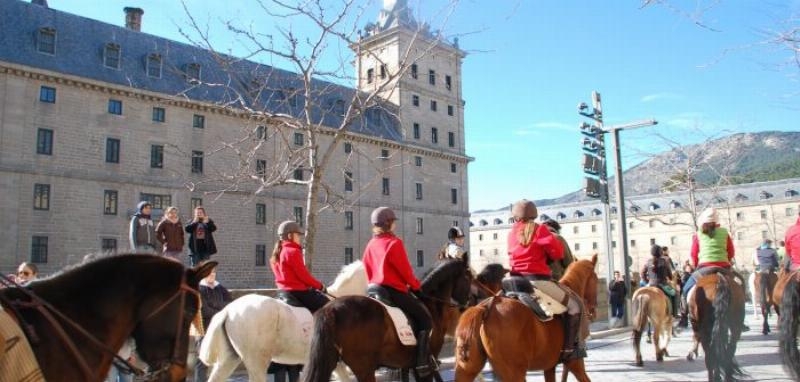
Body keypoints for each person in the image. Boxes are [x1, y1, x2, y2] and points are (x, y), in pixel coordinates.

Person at [506, 199, 585, 361]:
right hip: (537, 282)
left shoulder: (511, 233)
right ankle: (569, 350)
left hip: (513, 282)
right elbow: (558, 254)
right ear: (534, 214)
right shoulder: (540, 229)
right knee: (574, 307)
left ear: (515, 216)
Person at [362, 207, 434, 377]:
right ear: (388, 223)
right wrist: (416, 287)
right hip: (392, 290)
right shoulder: (395, 243)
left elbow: (365, 267)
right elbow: (405, 271)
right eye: (393, 221)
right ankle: (423, 362)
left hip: (372, 289)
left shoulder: (370, 244)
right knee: (425, 320)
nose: (395, 224)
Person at [679, 207, 735, 328]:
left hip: (704, 269)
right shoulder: (725, 232)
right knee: (739, 285)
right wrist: (727, 259)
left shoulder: (698, 234)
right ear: (716, 221)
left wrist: (693, 265)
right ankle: (740, 318)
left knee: (685, 290)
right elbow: (731, 252)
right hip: (724, 267)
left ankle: (684, 316)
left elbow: (693, 255)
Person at [270, 220, 329, 313]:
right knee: (329, 306)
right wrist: (320, 286)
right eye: (297, 235)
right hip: (298, 292)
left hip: (282, 292)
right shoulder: (292, 251)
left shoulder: (276, 253)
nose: (299, 238)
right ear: (290, 236)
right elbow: (303, 276)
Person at [195, 263, 233, 382]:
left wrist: (216, 306)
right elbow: (204, 311)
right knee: (202, 360)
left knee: (222, 359)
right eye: (209, 273)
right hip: (204, 329)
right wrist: (221, 309)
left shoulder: (220, 288)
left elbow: (231, 306)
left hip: (220, 328)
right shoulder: (198, 289)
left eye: (214, 272)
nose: (212, 275)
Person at [641, 245, 678, 317]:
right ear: (660, 252)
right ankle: (674, 314)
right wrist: (669, 278)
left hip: (651, 285)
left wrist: (647, 281)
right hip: (662, 285)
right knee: (675, 294)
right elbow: (670, 275)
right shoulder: (664, 261)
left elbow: (642, 273)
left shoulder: (648, 262)